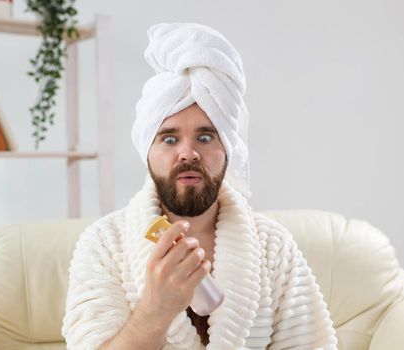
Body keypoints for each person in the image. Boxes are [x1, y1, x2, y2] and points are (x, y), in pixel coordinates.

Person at [62, 22, 338, 349]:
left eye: (205, 137)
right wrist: (156, 309)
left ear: (229, 151)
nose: (188, 153)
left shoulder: (273, 247)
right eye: (169, 138)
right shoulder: (105, 245)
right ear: (146, 152)